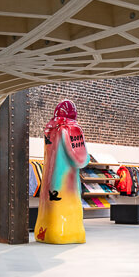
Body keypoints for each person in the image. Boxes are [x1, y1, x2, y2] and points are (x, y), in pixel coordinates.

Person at [34, 100, 90, 244]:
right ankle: (67, 234)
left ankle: (45, 233)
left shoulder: (50, 128)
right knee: (67, 205)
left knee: (49, 205)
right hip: (67, 181)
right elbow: (80, 159)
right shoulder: (71, 128)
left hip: (50, 179)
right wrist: (87, 157)